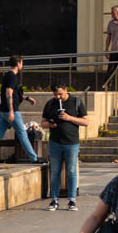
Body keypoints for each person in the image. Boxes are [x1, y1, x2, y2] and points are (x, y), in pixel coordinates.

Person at [41, 83, 90, 211]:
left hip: (71, 142)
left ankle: (72, 200)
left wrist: (69, 118)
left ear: (66, 90)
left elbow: (85, 122)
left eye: (60, 94)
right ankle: (54, 200)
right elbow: (43, 122)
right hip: (55, 142)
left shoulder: (76, 102)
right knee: (55, 171)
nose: (58, 97)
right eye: (55, 94)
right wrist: (50, 124)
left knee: (71, 171)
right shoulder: (51, 103)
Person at [0, 55, 40, 163]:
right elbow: (9, 93)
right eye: (22, 63)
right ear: (18, 63)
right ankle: (34, 158)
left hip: (1, 111)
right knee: (22, 134)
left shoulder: (7, 76)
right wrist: (11, 111)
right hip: (11, 111)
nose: (22, 65)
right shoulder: (12, 76)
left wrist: (27, 98)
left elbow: (14, 94)